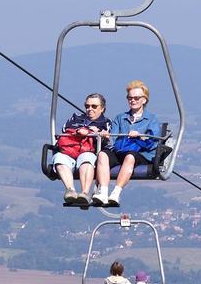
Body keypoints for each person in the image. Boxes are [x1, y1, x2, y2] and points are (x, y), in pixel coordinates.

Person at [93, 80, 161, 208]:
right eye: (130, 98)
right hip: (120, 151)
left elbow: (153, 141)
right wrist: (106, 136)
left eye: (136, 98)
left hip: (140, 153)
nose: (133, 100)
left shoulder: (151, 119)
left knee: (130, 156)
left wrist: (141, 136)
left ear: (144, 100)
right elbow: (112, 140)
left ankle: (116, 192)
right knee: (102, 154)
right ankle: (103, 192)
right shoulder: (120, 118)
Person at [53, 93, 110, 206]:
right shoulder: (76, 118)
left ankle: (84, 192)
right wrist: (87, 130)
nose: (90, 109)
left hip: (87, 151)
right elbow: (65, 129)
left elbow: (106, 139)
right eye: (87, 106)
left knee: (87, 159)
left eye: (94, 106)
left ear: (102, 108)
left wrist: (93, 133)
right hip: (69, 151)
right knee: (59, 158)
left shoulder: (105, 122)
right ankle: (70, 190)